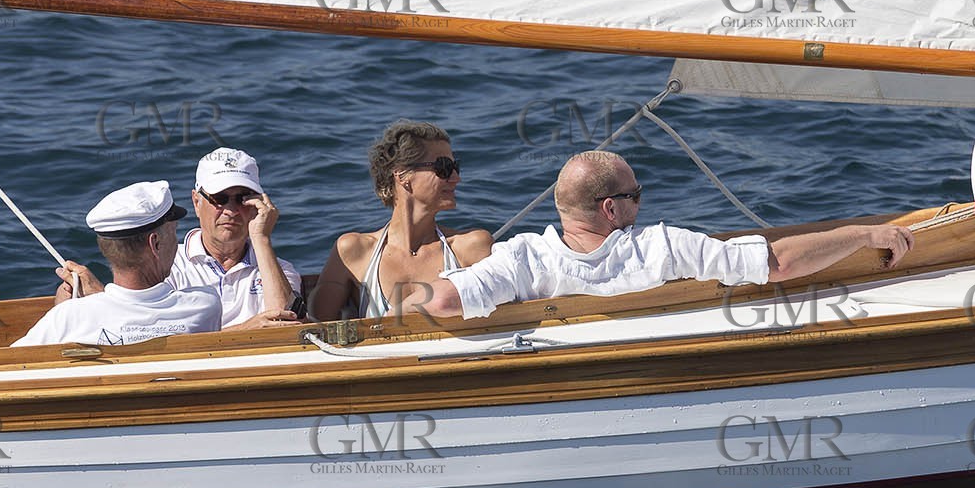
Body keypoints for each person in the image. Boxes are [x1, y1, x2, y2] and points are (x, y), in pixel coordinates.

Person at [401, 151, 914, 320]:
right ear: (611, 207)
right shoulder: (661, 247)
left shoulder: (522, 259)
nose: (640, 203)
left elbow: (443, 299)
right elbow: (776, 264)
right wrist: (865, 233)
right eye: (634, 194)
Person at [0, 181, 235, 352]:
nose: (176, 239)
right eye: (171, 232)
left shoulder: (70, 319)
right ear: (155, 243)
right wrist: (98, 300)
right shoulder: (205, 304)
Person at [58, 147, 302, 326]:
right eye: (219, 198)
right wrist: (245, 331)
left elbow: (287, 327)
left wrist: (261, 238)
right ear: (196, 202)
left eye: (243, 198)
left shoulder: (277, 269)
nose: (230, 210)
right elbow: (146, 336)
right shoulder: (163, 263)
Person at [311, 120, 492, 319]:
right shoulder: (353, 251)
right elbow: (314, 327)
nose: (456, 178)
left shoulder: (471, 248)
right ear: (403, 175)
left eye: (455, 166)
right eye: (444, 167)